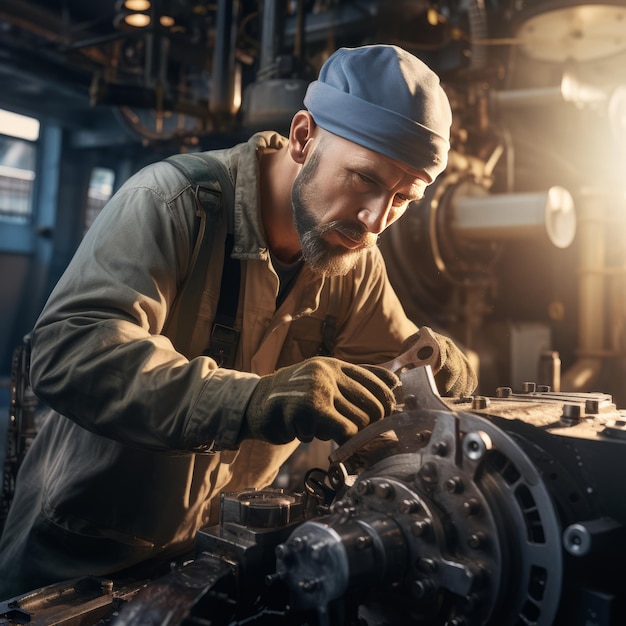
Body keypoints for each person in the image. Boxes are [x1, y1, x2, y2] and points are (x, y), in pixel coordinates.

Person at [0, 44, 477, 598]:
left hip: (208, 565)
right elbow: (70, 354)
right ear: (303, 138)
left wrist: (441, 373)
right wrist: (249, 401)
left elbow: (395, 376)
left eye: (403, 198)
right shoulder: (173, 202)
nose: (375, 219)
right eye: (365, 180)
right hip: (74, 566)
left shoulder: (354, 257)